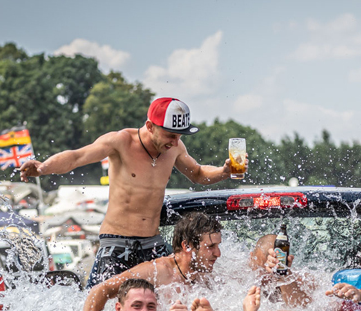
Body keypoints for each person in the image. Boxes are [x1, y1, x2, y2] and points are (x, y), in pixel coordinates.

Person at [19, 97, 235, 287]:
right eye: (170, 135)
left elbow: (197, 173)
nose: (176, 142)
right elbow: (77, 157)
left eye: (179, 136)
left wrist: (224, 171)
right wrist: (43, 168)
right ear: (150, 126)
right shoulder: (121, 141)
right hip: (116, 242)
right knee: (96, 300)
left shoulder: (175, 148)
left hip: (152, 243)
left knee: (192, 284)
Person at [81, 212, 223, 311]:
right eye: (211, 247)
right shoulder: (157, 271)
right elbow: (102, 289)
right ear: (186, 246)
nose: (218, 254)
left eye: (218, 246)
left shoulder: (205, 276)